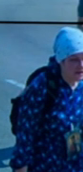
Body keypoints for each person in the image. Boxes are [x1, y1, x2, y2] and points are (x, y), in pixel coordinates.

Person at [10, 27, 83, 172]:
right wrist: (21, 166)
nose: (81, 65)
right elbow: (25, 133)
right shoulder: (42, 87)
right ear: (61, 60)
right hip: (46, 165)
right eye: (74, 60)